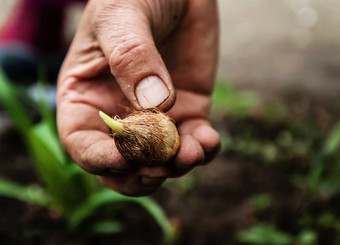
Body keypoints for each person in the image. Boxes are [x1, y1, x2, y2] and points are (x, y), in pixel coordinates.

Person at [2, 0, 221, 197]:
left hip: (91, 51)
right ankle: (43, 94)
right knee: (11, 60)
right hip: (54, 46)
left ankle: (45, 97)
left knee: (17, 65)